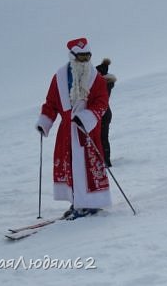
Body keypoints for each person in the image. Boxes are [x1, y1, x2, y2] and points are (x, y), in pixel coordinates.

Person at [36, 37, 111, 220]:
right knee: (70, 166)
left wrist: (86, 117)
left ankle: (90, 204)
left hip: (87, 131)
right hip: (67, 132)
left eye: (88, 57)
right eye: (81, 57)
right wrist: (45, 121)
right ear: (72, 56)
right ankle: (77, 202)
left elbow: (102, 103)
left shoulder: (96, 79)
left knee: (87, 167)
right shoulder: (59, 77)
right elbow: (51, 103)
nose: (85, 61)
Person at [96, 58, 117, 167]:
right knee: (104, 137)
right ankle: (106, 160)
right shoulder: (108, 84)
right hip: (106, 113)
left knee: (101, 138)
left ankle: (105, 161)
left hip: (101, 113)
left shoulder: (102, 84)